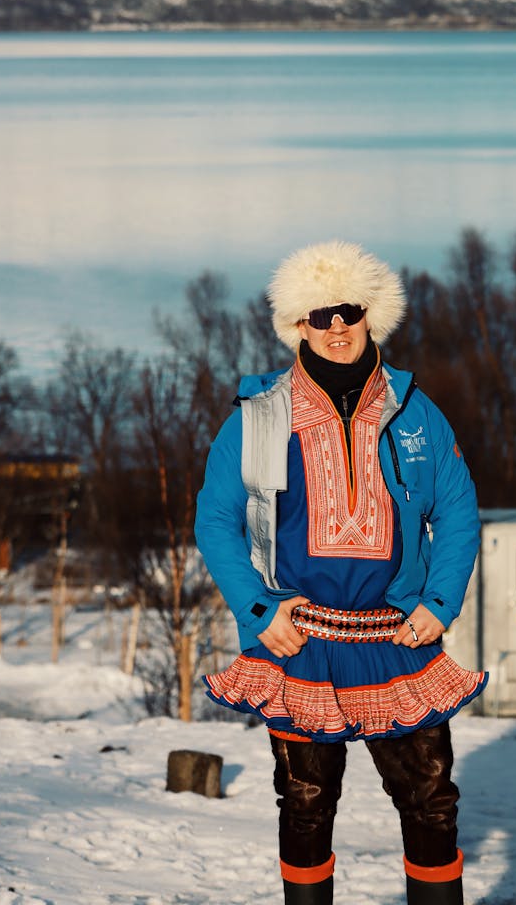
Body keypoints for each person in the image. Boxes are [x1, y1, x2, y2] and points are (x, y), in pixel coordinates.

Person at [195, 240, 487, 905]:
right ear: (297, 323)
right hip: (300, 641)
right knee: (304, 805)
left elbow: (459, 512)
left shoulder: (414, 412)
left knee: (431, 802)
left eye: (348, 311)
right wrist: (259, 611)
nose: (335, 327)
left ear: (370, 316)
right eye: (320, 314)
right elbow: (216, 522)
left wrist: (440, 602)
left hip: (398, 638)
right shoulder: (261, 416)